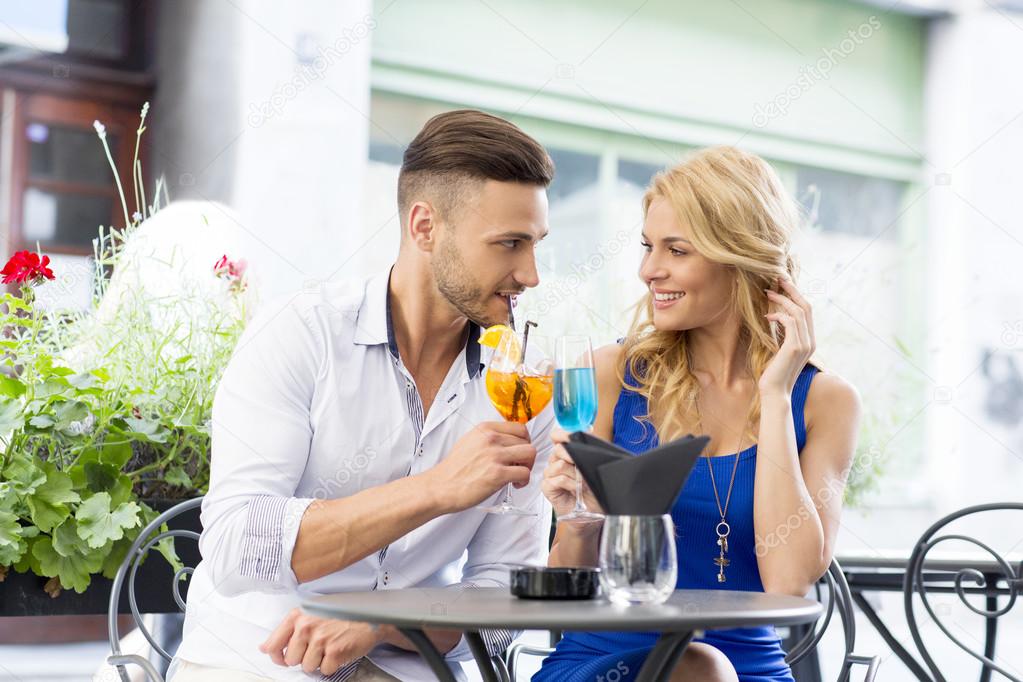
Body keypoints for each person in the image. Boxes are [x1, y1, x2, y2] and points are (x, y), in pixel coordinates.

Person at [169, 109, 557, 681]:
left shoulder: (521, 391)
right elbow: (236, 545)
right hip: (256, 660)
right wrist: (436, 489)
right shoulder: (302, 334)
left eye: (535, 244)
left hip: (411, 665)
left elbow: (508, 596)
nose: (530, 273)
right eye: (508, 244)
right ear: (425, 227)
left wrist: (384, 621)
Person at [536, 146, 862, 682]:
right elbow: (566, 586)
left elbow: (786, 583)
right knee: (700, 668)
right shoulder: (611, 374)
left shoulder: (826, 402)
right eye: (647, 247)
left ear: (740, 257)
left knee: (707, 668)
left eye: (676, 250)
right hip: (603, 661)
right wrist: (578, 516)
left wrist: (776, 394)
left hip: (749, 667)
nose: (648, 270)